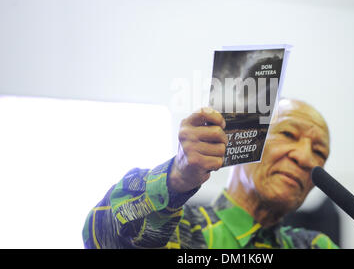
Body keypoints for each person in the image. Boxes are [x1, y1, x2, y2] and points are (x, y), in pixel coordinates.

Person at [82, 99, 339, 249]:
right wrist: (177, 177)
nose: (306, 158)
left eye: (319, 152)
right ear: (243, 141)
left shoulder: (315, 246)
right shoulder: (178, 233)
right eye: (289, 135)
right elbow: (103, 235)